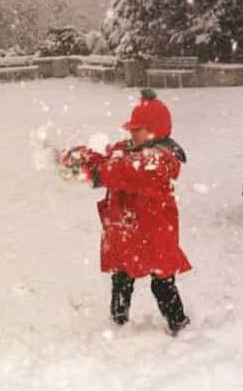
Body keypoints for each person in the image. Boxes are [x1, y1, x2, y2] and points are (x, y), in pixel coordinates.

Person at [62, 89, 191, 336]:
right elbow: (110, 157)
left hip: (154, 232)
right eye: (131, 128)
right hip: (128, 229)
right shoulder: (130, 149)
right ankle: (118, 322)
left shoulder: (160, 160)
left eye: (137, 128)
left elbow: (125, 170)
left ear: (156, 130)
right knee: (121, 278)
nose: (131, 133)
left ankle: (179, 324)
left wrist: (96, 173)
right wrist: (81, 157)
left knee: (162, 282)